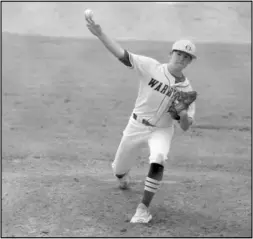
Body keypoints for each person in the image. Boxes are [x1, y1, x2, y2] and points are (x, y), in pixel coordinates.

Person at [86, 14, 197, 223]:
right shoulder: (151, 67)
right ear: (171, 53)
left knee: (159, 158)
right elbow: (121, 54)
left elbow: (185, 126)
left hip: (162, 130)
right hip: (136, 125)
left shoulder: (187, 91)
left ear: (189, 62)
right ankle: (121, 176)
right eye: (179, 54)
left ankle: (143, 208)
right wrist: (101, 35)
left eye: (186, 57)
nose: (181, 59)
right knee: (118, 169)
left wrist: (182, 114)